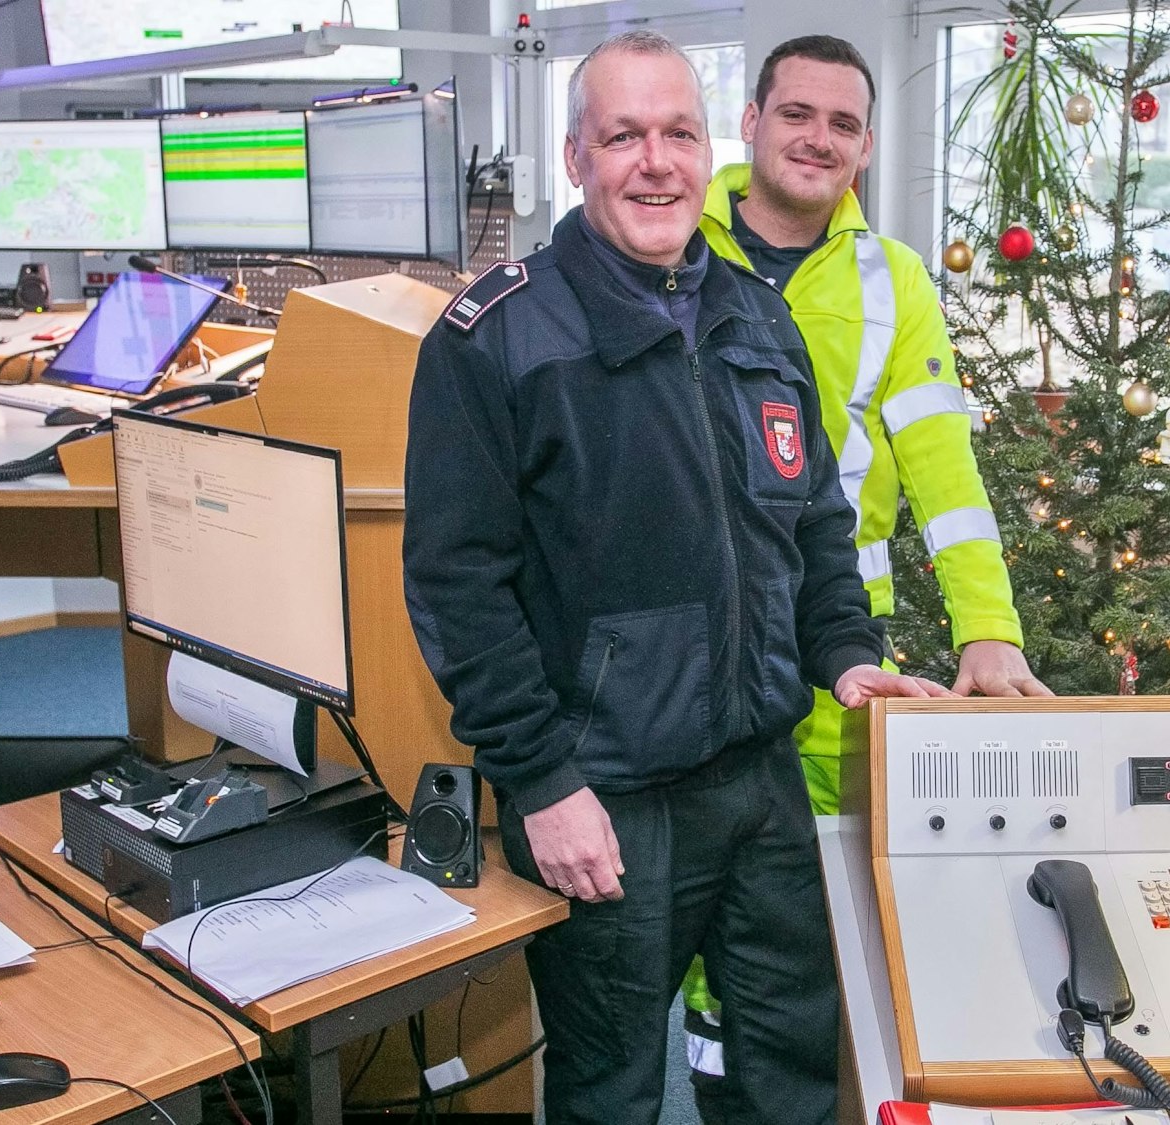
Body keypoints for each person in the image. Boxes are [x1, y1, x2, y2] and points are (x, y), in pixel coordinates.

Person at [402, 30, 951, 1125]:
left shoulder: (757, 319)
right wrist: (544, 784)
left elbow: (814, 527)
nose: (654, 162)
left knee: (786, 1070)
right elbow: (457, 587)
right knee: (611, 1089)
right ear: (575, 158)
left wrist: (844, 654)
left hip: (757, 784)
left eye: (676, 134)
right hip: (604, 790)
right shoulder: (495, 340)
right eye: (622, 137)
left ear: (711, 151)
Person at [681, 34, 1053, 1113]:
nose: (817, 139)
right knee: (705, 914)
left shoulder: (892, 284)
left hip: (843, 654)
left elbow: (946, 473)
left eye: (842, 125)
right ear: (748, 124)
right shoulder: (670, 249)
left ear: (866, 148)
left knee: (816, 907)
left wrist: (988, 626)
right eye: (796, 114)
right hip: (697, 653)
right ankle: (708, 1086)